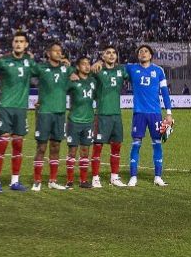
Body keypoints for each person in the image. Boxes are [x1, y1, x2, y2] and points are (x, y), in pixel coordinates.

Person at [0, 32, 34, 193]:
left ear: (26, 44)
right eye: (16, 41)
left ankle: (15, 181)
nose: (18, 44)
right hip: (5, 107)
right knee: (2, 143)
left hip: (21, 108)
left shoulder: (30, 62)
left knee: (18, 144)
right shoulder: (2, 61)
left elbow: (45, 73)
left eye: (22, 41)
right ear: (12, 43)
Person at [125, 44, 174, 187]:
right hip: (139, 113)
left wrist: (169, 114)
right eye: (140, 51)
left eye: (146, 51)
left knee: (157, 144)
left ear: (151, 55)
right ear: (138, 55)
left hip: (155, 114)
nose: (143, 53)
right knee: (136, 145)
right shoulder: (132, 68)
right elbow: (115, 68)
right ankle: (133, 176)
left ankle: (158, 177)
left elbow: (165, 93)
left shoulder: (158, 71)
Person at [30, 42, 74, 191]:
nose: (58, 53)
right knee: (41, 147)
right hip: (44, 112)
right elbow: (27, 71)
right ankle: (37, 180)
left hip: (60, 112)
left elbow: (79, 75)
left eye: (60, 51)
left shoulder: (66, 69)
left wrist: (69, 66)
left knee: (56, 146)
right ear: (48, 53)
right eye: (55, 51)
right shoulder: (41, 68)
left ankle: (52, 180)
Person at [90, 46, 129, 188]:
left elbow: (134, 73)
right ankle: (95, 177)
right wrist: (94, 64)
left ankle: (114, 177)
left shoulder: (121, 70)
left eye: (114, 53)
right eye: (108, 53)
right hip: (102, 115)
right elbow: (84, 73)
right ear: (103, 56)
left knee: (116, 146)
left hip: (116, 115)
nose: (111, 55)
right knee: (98, 147)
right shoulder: (98, 70)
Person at [65, 56, 98, 188]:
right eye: (83, 64)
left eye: (88, 64)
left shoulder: (93, 81)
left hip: (88, 121)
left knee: (85, 151)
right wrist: (69, 73)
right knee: (72, 151)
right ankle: (69, 180)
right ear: (78, 67)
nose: (87, 66)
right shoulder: (73, 81)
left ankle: (83, 181)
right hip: (74, 120)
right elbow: (61, 88)